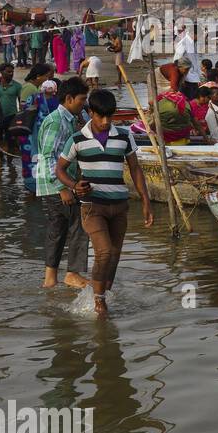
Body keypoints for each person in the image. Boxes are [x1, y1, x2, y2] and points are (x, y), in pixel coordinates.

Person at [55, 89, 154, 317]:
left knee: (115, 254)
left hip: (119, 206)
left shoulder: (124, 135)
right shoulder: (78, 139)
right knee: (104, 251)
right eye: (100, 116)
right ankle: (99, 302)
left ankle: (102, 292)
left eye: (110, 116)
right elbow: (60, 168)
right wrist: (73, 185)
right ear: (90, 113)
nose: (105, 121)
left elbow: (135, 169)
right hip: (92, 206)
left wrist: (146, 201)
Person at [36, 77, 90, 289]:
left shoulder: (68, 118)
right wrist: (62, 189)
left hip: (60, 183)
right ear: (69, 98)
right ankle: (72, 274)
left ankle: (50, 279)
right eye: (81, 99)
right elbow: (48, 157)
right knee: (80, 225)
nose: (83, 104)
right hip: (59, 184)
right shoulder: (57, 121)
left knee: (57, 230)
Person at [0, 63, 23, 179]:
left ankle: (10, 164)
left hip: (12, 117)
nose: (11, 74)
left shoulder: (17, 86)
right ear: (1, 72)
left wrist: (20, 116)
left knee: (11, 141)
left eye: (12, 72)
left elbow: (21, 102)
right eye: (8, 72)